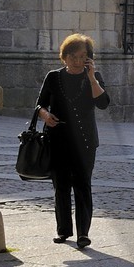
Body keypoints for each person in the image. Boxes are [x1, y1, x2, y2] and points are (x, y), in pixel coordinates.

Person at [36, 33, 111, 248]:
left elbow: (104, 103)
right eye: (73, 56)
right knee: (60, 186)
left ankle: (83, 234)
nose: (77, 61)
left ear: (88, 59)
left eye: (82, 57)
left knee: (82, 185)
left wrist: (91, 77)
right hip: (57, 139)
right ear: (64, 56)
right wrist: (45, 115)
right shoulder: (53, 77)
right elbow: (39, 104)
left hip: (85, 142)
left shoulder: (93, 77)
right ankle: (63, 230)